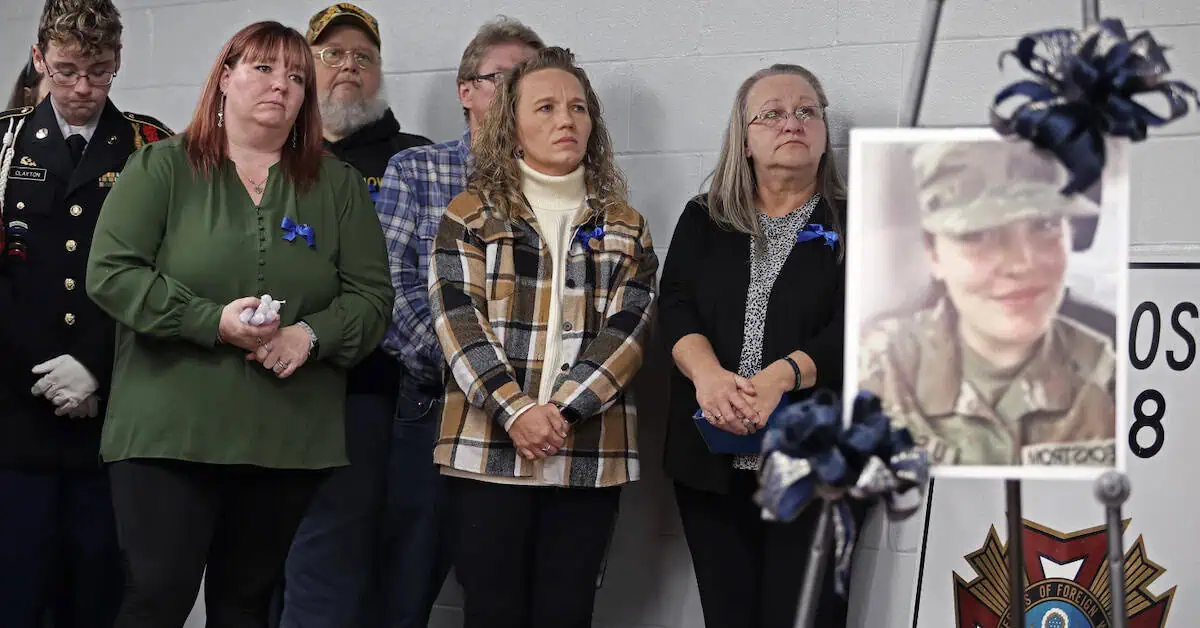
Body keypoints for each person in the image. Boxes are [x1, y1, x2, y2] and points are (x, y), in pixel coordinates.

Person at [84, 20, 393, 628]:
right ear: (225, 78)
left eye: (296, 77)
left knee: (246, 605)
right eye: (263, 68)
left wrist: (310, 336)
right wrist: (210, 321)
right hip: (169, 430)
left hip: (286, 434)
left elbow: (372, 297)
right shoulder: (160, 167)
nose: (281, 85)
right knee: (157, 597)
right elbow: (112, 273)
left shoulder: (338, 185)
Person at [427, 46, 658, 628]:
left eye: (578, 108)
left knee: (567, 610)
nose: (566, 120)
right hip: (487, 448)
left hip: (589, 451)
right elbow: (458, 322)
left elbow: (629, 331)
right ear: (512, 124)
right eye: (547, 107)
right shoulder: (470, 213)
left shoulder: (626, 225)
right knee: (492, 610)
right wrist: (517, 411)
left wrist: (561, 412)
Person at [658, 64, 858, 628]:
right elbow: (675, 304)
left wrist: (779, 378)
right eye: (771, 114)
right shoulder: (705, 217)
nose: (791, 123)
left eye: (806, 111)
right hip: (711, 462)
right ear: (744, 140)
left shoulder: (858, 221)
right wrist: (709, 377)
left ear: (824, 132)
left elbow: (861, 323)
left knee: (807, 617)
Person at [0, 1, 173, 626]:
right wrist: (40, 375)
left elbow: (168, 273)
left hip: (114, 414)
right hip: (15, 414)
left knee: (100, 595)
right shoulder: (4, 143)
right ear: (39, 59)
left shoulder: (152, 146)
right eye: (66, 70)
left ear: (118, 61)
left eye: (98, 72)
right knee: (16, 593)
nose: (81, 88)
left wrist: (95, 365)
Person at [370, 14, 544, 624]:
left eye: (531, 80)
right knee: (406, 585)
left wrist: (518, 397)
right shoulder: (416, 170)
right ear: (466, 90)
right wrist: (479, 376)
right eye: (504, 78)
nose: (519, 92)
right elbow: (390, 290)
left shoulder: (559, 185)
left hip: (534, 419)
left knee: (507, 593)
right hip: (435, 405)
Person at [278, 5, 433, 627]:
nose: (349, 65)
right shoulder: (276, 153)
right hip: (292, 390)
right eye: (332, 54)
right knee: (302, 571)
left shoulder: (415, 159)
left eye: (363, 57)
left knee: (395, 570)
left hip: (391, 396)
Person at [858, 140, 1117, 467]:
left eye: (1045, 225)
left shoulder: (1110, 376)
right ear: (933, 253)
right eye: (976, 233)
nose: (1021, 264)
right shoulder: (880, 366)